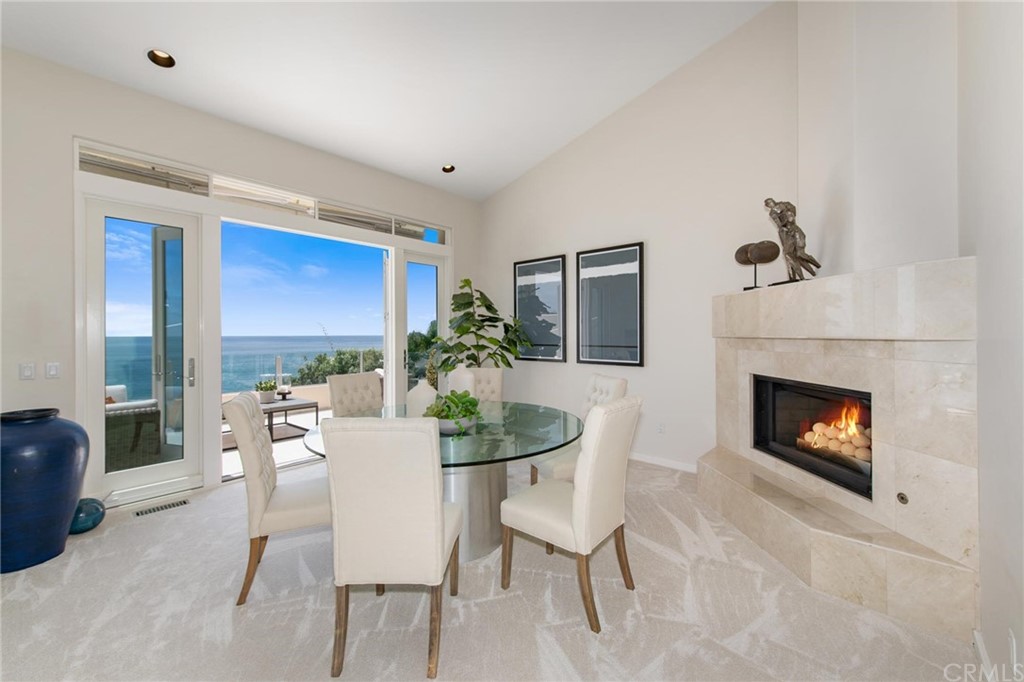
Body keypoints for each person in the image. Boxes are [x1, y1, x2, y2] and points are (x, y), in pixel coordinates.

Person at [764, 197, 821, 281]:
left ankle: (815, 265)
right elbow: (779, 224)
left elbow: (792, 210)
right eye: (768, 204)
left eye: (770, 202)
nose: (770, 205)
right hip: (786, 233)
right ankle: (798, 277)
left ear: (773, 201)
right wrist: (784, 224)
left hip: (795, 230)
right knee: (788, 254)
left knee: (799, 254)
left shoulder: (784, 204)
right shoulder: (772, 213)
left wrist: (788, 215)